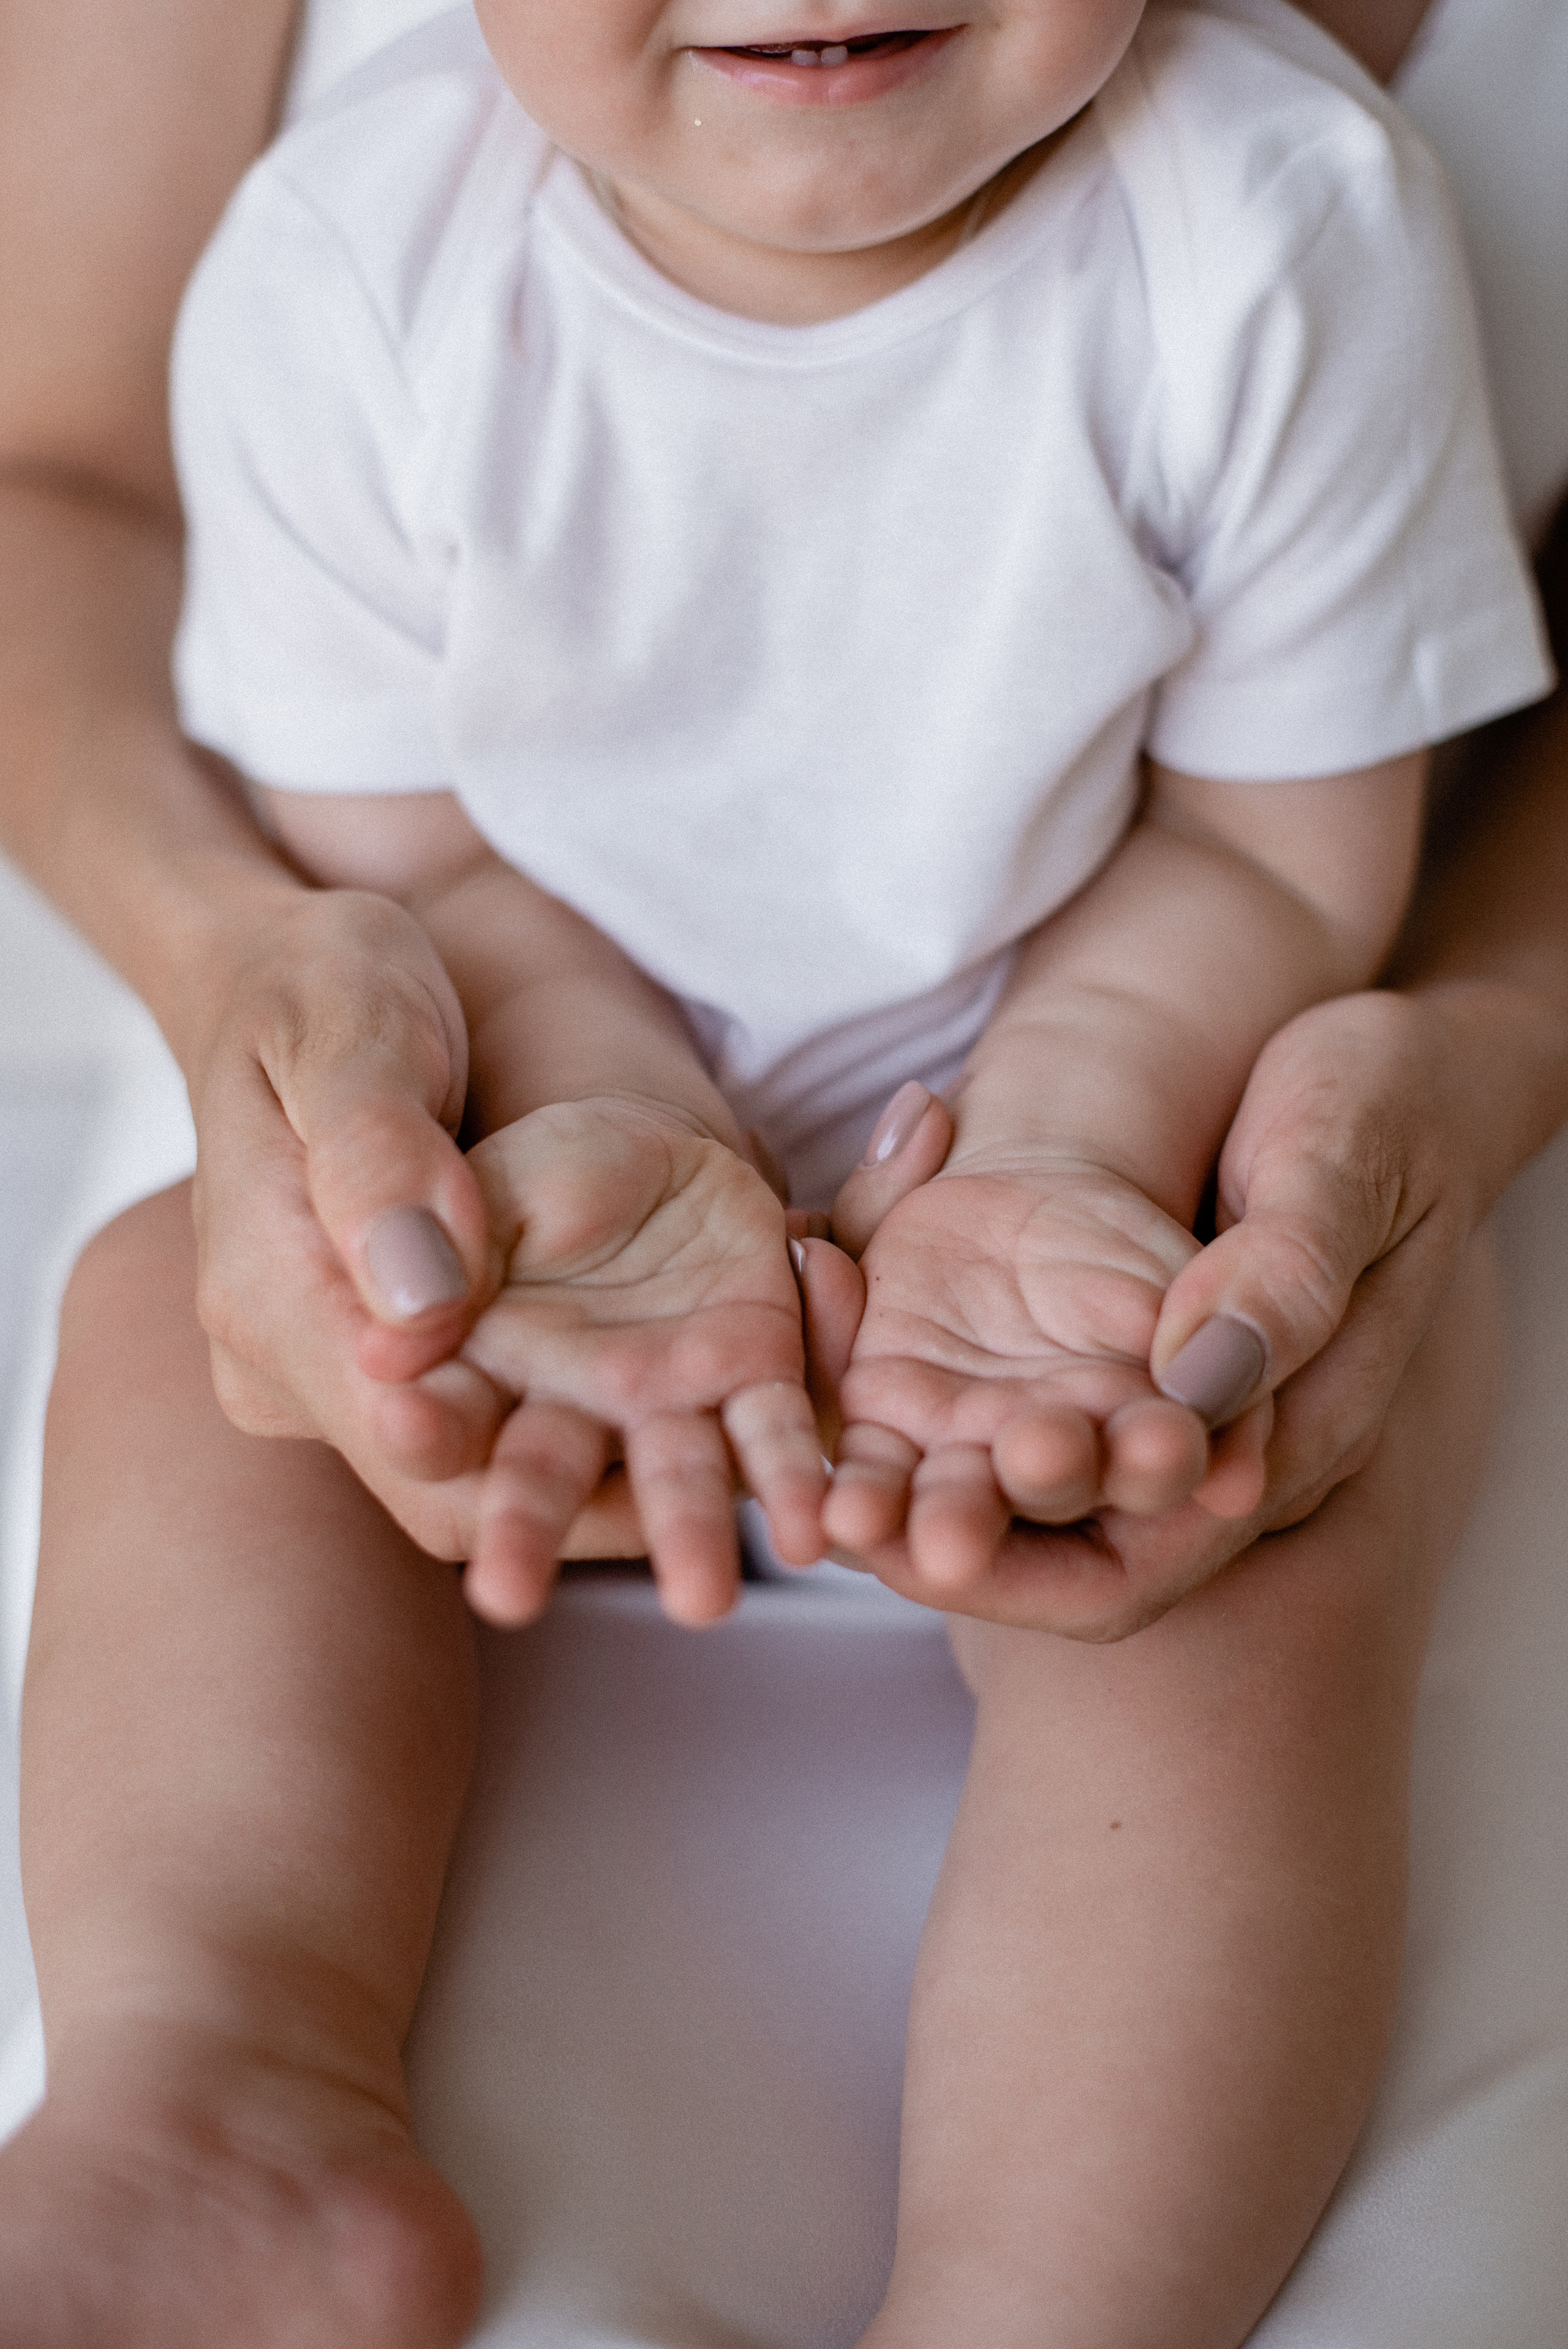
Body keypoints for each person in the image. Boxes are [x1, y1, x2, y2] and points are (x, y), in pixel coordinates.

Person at [0, 6, 1562, 2349]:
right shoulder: (357, 258)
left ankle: (1046, 2296)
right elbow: (410, 847)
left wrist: (1065, 1133)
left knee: (1250, 1511)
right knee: (173, 1329)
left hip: (1105, 1136)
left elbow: (1263, 851)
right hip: (544, 1123)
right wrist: (588, 1110)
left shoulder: (1277, 225)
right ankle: (226, 2082)